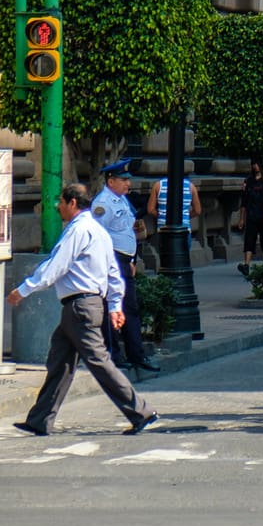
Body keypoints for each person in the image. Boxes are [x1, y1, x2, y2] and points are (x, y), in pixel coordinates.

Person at [9, 183, 159, 436]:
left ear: (72, 203)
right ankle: (40, 419)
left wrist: (24, 289)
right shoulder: (99, 231)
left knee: (98, 361)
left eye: (61, 202)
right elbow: (113, 272)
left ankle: (141, 411)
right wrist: (115, 305)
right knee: (60, 362)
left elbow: (57, 265)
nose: (58, 207)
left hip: (80, 306)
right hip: (84, 306)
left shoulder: (78, 230)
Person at [90, 157, 157, 374]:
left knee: (130, 308)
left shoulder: (122, 201)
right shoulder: (102, 204)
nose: (128, 184)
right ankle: (114, 355)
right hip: (111, 261)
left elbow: (128, 231)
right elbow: (97, 237)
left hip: (125, 261)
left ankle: (136, 355)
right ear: (111, 182)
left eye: (128, 180)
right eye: (124, 180)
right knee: (113, 308)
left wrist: (132, 260)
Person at [150, 170, 203, 245]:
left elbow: (151, 210)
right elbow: (197, 210)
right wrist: (184, 217)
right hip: (184, 229)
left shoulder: (158, 185)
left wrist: (163, 216)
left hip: (163, 230)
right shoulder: (191, 186)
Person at [239, 159, 263, 275]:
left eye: (257, 164)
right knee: (249, 240)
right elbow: (244, 201)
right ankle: (246, 265)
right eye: (254, 164)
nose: (255, 166)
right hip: (251, 214)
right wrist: (241, 219)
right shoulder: (249, 181)